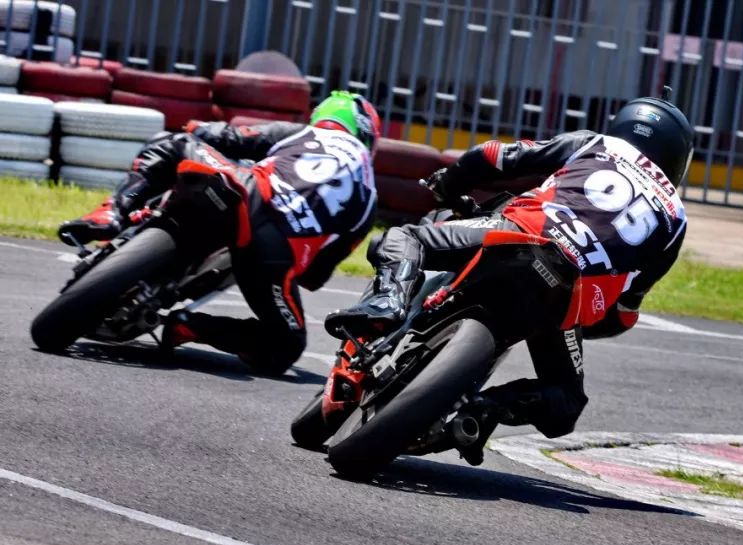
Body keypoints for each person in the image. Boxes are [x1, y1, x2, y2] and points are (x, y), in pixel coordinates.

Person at [325, 91, 693, 457]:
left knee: (404, 238)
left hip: (518, 236)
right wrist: (579, 325)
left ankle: (389, 300)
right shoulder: (676, 218)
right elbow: (624, 314)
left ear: (622, 125)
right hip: (568, 295)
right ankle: (483, 410)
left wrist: (449, 183)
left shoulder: (596, 144)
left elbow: (496, 156)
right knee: (565, 404)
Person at [59, 90, 381, 375]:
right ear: (368, 137)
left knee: (173, 142)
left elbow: (225, 136)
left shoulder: (302, 133)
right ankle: (192, 327)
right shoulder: (369, 195)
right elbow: (313, 276)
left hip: (247, 190)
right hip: (275, 253)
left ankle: (114, 211)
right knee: (286, 344)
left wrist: (195, 127)